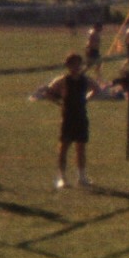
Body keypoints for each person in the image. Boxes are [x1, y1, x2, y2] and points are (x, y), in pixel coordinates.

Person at [45, 51, 92, 190]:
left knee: (81, 147)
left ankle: (82, 176)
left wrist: (87, 98)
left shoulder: (85, 80)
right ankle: (62, 177)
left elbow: (96, 88)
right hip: (68, 118)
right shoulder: (63, 80)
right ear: (68, 66)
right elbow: (48, 92)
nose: (76, 67)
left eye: (78, 64)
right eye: (73, 64)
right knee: (64, 147)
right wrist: (59, 102)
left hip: (81, 117)